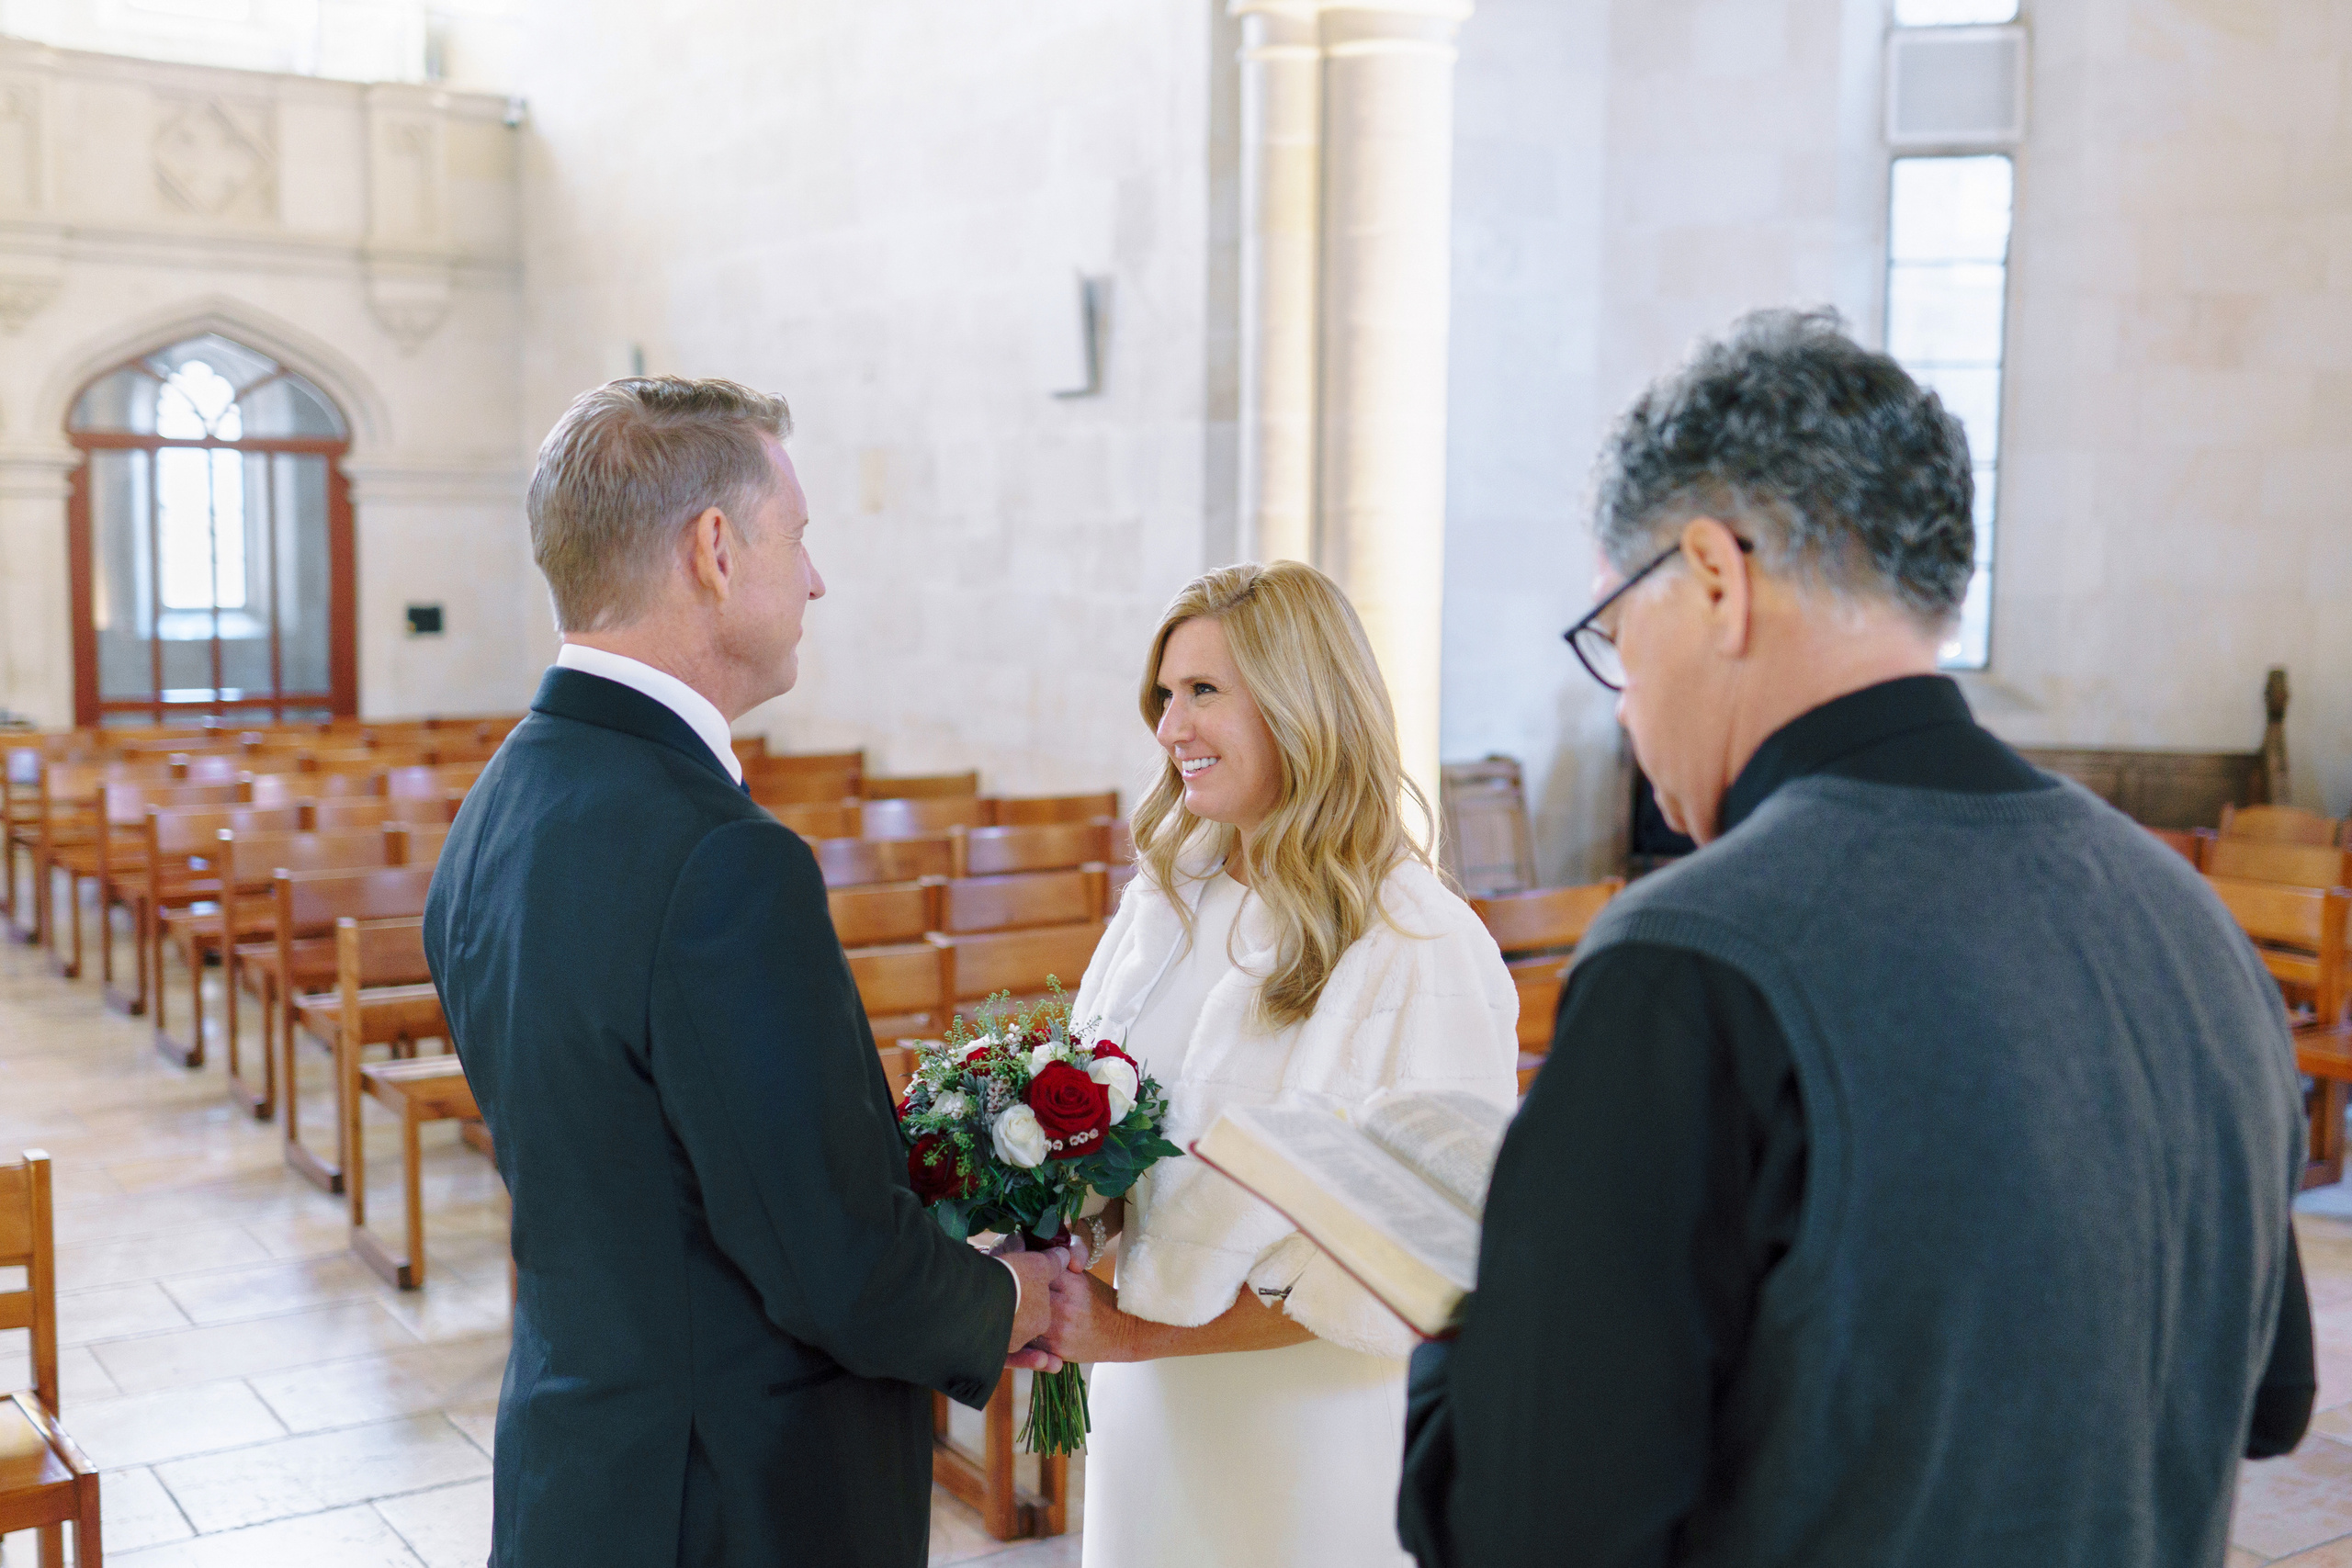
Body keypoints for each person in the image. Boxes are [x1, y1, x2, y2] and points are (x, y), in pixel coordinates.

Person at [1397, 310, 2315, 1567]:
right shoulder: (2191, 923)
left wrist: (1458, 1345)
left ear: (1714, 575)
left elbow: (1529, 1523)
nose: (1626, 709)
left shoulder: (1691, 954)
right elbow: (2270, 1399)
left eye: (1617, 634)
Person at [422, 378, 1078, 1568]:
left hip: (583, 1460)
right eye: (802, 537)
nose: (816, 579)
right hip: (732, 1495)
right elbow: (827, 1256)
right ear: (716, 550)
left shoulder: (500, 801)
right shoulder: (721, 855)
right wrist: (1011, 1300)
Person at [1042, 560, 1521, 1568]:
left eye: (1205, 692)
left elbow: (1410, 1276)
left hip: (1309, 1448)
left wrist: (1132, 1335)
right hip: (1153, 1424)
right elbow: (1110, 1132)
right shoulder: (1167, 901)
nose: (1171, 729)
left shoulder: (1419, 944)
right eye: (1164, 696)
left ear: (1303, 705)